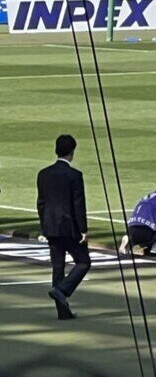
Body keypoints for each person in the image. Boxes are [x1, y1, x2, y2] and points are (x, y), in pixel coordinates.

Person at [37, 135, 89, 320]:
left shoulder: (43, 174)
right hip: (70, 228)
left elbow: (41, 203)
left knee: (58, 267)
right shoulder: (75, 175)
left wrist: (44, 226)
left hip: (51, 226)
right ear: (72, 152)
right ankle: (61, 290)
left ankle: (62, 310)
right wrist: (84, 229)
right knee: (83, 262)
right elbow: (78, 204)